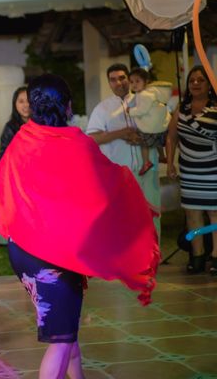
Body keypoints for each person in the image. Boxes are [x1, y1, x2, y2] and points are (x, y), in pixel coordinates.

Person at [0, 74, 160, 379]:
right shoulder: (77, 143)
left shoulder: (22, 140)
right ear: (67, 106)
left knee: (66, 330)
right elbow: (111, 185)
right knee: (61, 341)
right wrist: (139, 206)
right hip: (56, 257)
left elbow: (3, 192)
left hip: (24, 251)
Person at [86, 63, 161, 236]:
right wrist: (121, 133)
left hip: (148, 168)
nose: (118, 83)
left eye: (122, 78)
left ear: (129, 78)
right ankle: (132, 261)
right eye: (113, 80)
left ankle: (155, 258)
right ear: (109, 83)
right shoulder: (102, 109)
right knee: (125, 217)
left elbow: (159, 127)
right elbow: (92, 138)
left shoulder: (146, 101)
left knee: (152, 214)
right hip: (121, 173)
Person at [167, 65, 217, 275]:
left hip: (213, 169)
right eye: (192, 80)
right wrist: (170, 163)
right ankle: (197, 255)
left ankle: (215, 255)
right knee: (192, 214)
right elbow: (171, 137)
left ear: (209, 84)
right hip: (189, 170)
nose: (195, 83)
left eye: (200, 80)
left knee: (215, 214)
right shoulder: (181, 109)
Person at [127, 67, 171, 176]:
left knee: (143, 143)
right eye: (132, 82)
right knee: (158, 142)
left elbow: (142, 110)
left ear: (146, 82)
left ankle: (146, 162)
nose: (134, 84)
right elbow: (135, 101)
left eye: (137, 81)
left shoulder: (145, 95)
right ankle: (161, 156)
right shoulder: (148, 93)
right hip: (159, 126)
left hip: (151, 126)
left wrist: (130, 111)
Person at [0, 86, 29, 162]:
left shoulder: (42, 124)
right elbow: (2, 157)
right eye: (21, 101)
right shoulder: (10, 128)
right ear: (15, 104)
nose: (26, 105)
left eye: (29, 101)